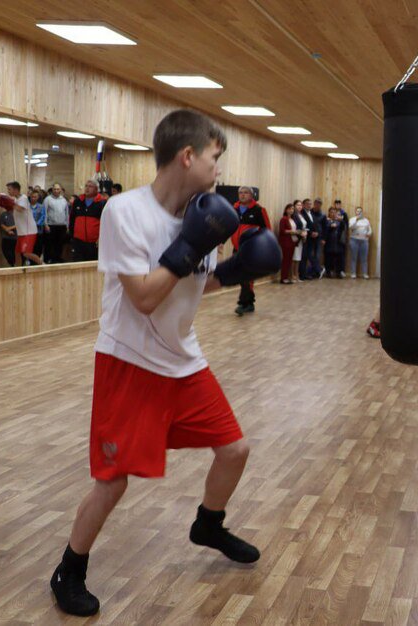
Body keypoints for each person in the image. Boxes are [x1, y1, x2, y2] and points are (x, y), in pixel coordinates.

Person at [48, 109, 282, 618]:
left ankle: (208, 525)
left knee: (235, 450)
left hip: (183, 358)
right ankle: (70, 569)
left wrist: (238, 271)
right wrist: (191, 243)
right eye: (215, 158)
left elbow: (195, 282)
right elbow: (145, 298)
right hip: (128, 362)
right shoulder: (125, 212)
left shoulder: (203, 215)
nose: (220, 170)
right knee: (114, 480)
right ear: (188, 156)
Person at [229, 186, 270, 315]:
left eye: (245, 193)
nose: (242, 195)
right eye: (240, 193)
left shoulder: (259, 210)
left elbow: (267, 230)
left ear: (251, 195)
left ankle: (244, 303)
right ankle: (249, 303)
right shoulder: (233, 209)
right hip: (237, 248)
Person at [2, 181, 43, 266]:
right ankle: (18, 269)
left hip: (29, 232)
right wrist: (4, 199)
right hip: (22, 232)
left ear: (16, 190)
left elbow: (20, 209)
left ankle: (42, 265)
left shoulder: (23, 198)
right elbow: (12, 206)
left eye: (9, 189)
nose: (8, 191)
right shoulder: (16, 199)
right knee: (17, 252)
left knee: (26, 253)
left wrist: (8, 201)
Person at [70, 179, 106, 261]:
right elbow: (72, 219)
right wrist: (72, 236)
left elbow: (106, 223)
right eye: (86, 186)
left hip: (94, 243)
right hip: (78, 242)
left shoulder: (102, 203)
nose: (87, 188)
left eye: (90, 186)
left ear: (96, 189)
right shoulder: (78, 201)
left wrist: (101, 239)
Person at [44, 183, 70, 263]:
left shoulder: (64, 200)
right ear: (52, 190)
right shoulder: (47, 199)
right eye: (54, 189)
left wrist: (67, 225)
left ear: (60, 190)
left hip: (62, 226)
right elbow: (44, 212)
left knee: (60, 244)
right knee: (50, 244)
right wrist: (45, 224)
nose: (56, 191)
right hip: (51, 225)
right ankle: (48, 260)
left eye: (58, 189)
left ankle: (57, 259)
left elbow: (66, 213)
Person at [348, 206, 372, 278]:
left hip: (364, 241)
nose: (359, 212)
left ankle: (365, 273)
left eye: (360, 211)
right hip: (354, 240)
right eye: (357, 211)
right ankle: (353, 273)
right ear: (355, 212)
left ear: (362, 212)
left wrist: (369, 233)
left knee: (364, 258)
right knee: (353, 257)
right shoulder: (352, 219)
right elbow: (351, 227)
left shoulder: (366, 220)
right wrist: (356, 220)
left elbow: (369, 229)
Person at [277, 203, 298, 284]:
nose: (291, 210)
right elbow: (282, 230)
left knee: (289, 260)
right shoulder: (283, 219)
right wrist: (292, 231)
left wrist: (297, 232)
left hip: (292, 241)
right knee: (285, 260)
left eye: (292, 209)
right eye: (289, 209)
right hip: (286, 241)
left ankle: (287, 277)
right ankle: (283, 278)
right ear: (286, 210)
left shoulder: (292, 219)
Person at [322, 206, 345, 278]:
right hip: (328, 242)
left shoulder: (339, 221)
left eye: (334, 212)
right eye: (331, 212)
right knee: (328, 258)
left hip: (338, 242)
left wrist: (341, 220)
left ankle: (338, 272)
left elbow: (343, 227)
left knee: (339, 258)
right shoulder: (326, 221)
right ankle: (328, 272)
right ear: (329, 213)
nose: (333, 214)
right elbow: (324, 230)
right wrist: (330, 226)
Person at [307, 198, 324, 278]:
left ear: (321, 205)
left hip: (319, 238)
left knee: (317, 256)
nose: (317, 205)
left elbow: (325, 228)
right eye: (316, 203)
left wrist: (323, 238)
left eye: (319, 204)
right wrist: (311, 233)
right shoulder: (309, 213)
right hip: (310, 237)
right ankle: (319, 269)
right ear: (314, 204)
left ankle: (315, 272)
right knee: (309, 255)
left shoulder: (323, 215)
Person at [30, 190, 47, 261]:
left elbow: (43, 217)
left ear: (38, 197)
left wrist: (35, 224)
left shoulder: (41, 206)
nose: (33, 198)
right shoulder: (27, 207)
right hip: (29, 231)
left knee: (38, 247)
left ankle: (37, 261)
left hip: (38, 231)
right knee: (30, 248)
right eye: (32, 197)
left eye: (35, 197)